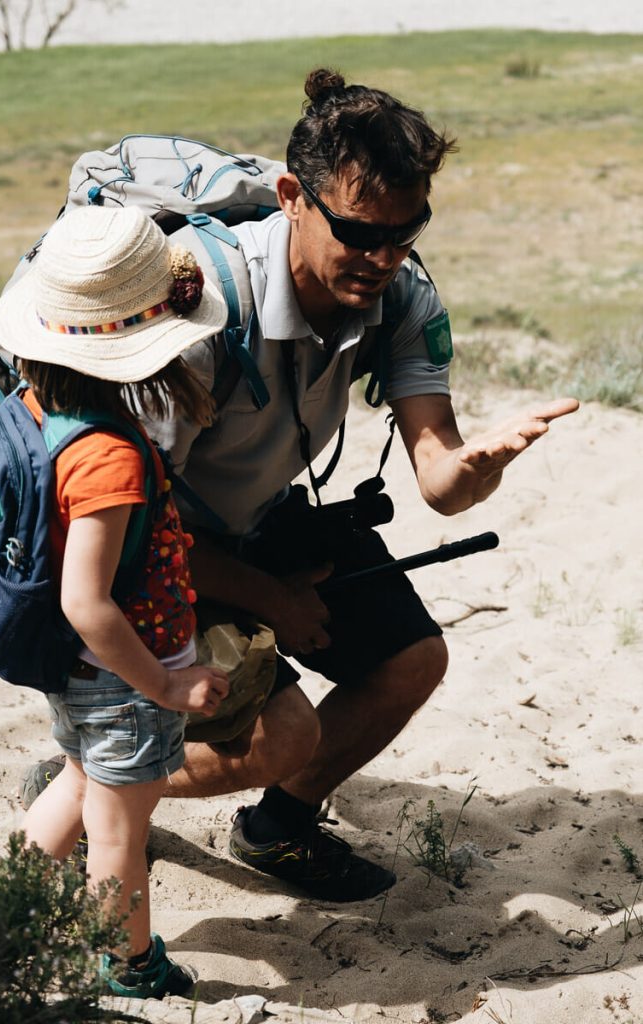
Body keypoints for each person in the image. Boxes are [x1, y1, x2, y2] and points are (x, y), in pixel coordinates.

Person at [142, 66, 579, 904]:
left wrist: (471, 469)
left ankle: (277, 830)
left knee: (410, 659)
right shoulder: (197, 302)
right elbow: (123, 521)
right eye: (358, 231)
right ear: (291, 198)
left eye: (406, 230)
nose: (383, 256)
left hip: (257, 518)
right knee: (280, 733)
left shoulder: (401, 294)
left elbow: (439, 479)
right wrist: (268, 596)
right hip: (148, 543)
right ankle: (98, 775)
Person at [0, 204, 230, 999]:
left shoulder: (40, 411)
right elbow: (87, 601)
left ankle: (0, 904)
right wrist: (161, 684)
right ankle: (127, 965)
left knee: (80, 782)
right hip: (121, 674)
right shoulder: (108, 459)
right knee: (120, 830)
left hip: (84, 676)